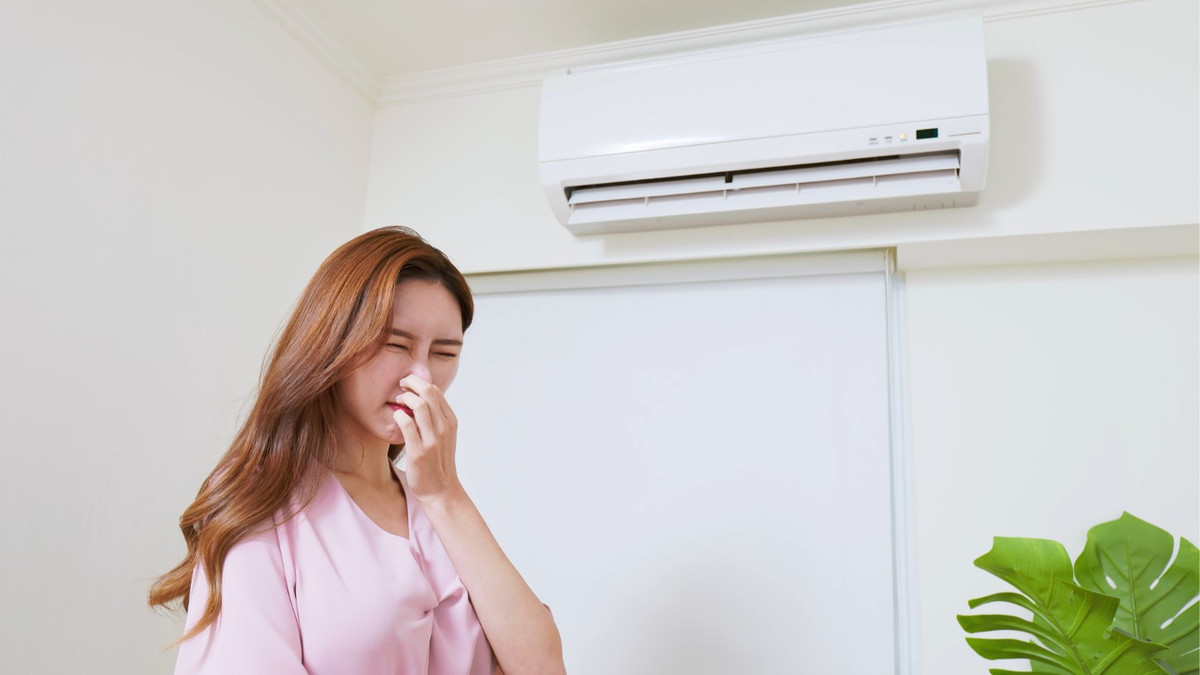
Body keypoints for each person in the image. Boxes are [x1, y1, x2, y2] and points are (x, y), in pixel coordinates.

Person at [149, 227, 565, 675]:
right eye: (396, 345)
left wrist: (446, 494)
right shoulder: (265, 499)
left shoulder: (435, 504)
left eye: (444, 353)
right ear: (332, 343)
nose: (423, 377)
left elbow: (543, 667)